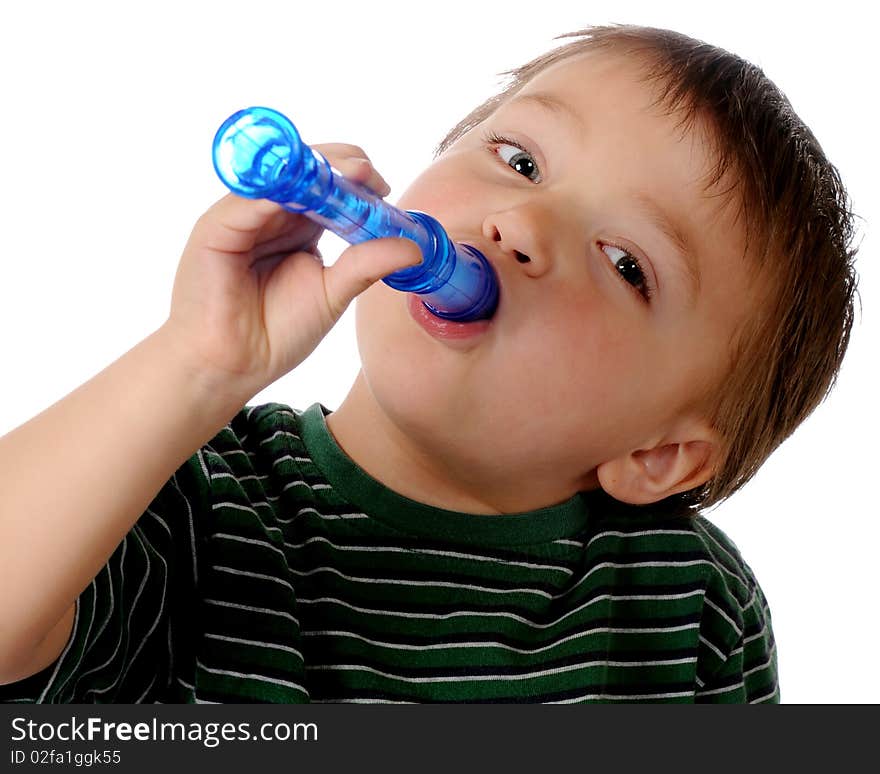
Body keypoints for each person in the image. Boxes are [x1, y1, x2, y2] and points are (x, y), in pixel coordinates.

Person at [0, 24, 858, 703]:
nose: (523, 223)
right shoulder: (205, 506)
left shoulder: (690, 607)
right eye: (519, 160)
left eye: (627, 263)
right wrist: (194, 364)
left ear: (657, 455)